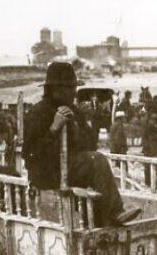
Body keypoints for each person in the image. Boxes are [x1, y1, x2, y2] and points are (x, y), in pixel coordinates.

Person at [23, 61, 140, 227]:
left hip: (70, 169)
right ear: (56, 90)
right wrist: (54, 128)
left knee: (95, 162)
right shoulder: (38, 113)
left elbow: (91, 146)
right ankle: (114, 213)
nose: (74, 92)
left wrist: (82, 127)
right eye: (70, 88)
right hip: (47, 172)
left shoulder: (75, 111)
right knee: (96, 160)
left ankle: (105, 220)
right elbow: (30, 154)